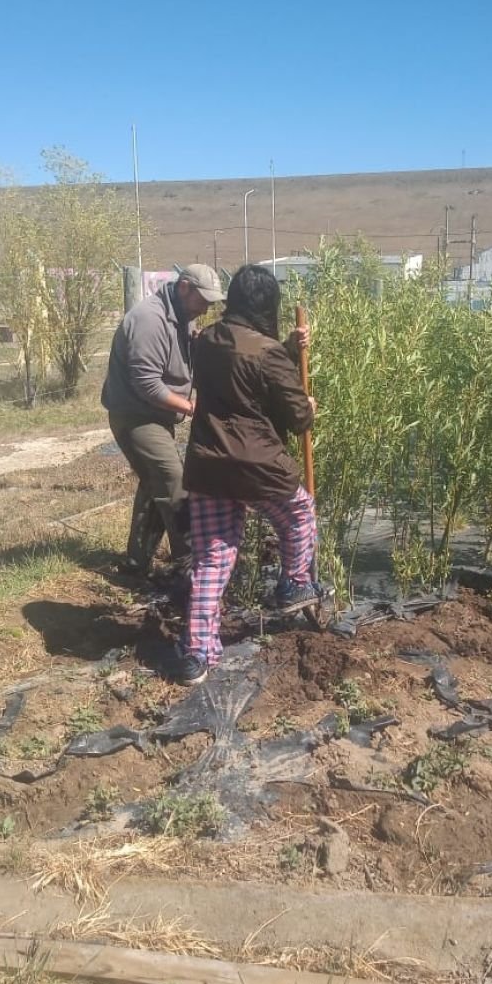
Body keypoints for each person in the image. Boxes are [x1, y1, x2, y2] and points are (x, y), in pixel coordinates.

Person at [174, 263, 318, 685]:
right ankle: (292, 584)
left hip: (208, 467)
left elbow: (241, 371)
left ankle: (197, 654)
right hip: (258, 469)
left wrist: (288, 349)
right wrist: (308, 407)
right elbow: (296, 417)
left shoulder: (205, 341)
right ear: (267, 305)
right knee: (300, 516)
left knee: (213, 558)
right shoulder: (267, 352)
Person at [101, 263, 225, 591]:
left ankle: (135, 564)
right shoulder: (148, 321)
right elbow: (147, 385)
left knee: (154, 484)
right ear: (183, 287)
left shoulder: (184, 316)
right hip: (136, 415)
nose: (207, 307)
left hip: (157, 416)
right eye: (203, 299)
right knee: (173, 480)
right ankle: (193, 566)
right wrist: (191, 408)